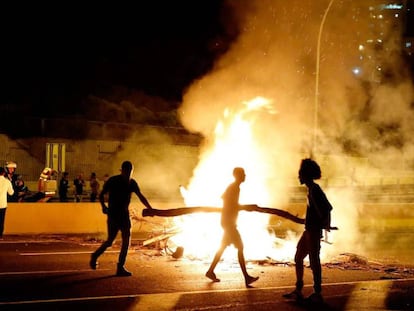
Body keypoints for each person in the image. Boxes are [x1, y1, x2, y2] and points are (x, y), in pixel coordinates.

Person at [90, 161, 153, 276]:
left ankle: (120, 267)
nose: (129, 174)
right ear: (122, 170)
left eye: (131, 171)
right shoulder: (113, 180)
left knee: (126, 241)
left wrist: (150, 208)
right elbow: (101, 194)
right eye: (127, 171)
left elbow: (141, 196)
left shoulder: (132, 183)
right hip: (114, 215)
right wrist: (103, 206)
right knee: (110, 241)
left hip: (124, 215)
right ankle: (95, 255)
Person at [283, 158, 333, 304]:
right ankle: (298, 289)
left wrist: (325, 224)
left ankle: (317, 293)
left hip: (313, 232)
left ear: (306, 175)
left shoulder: (315, 190)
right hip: (309, 231)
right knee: (298, 257)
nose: (299, 177)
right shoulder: (311, 190)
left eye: (300, 174)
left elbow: (327, 208)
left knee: (314, 261)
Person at [205, 167, 259, 287]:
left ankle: (210, 271)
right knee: (240, 247)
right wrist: (248, 207)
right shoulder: (234, 188)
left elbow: (226, 200)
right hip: (229, 223)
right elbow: (232, 205)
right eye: (243, 174)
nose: (245, 176)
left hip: (227, 222)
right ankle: (246, 277)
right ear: (238, 176)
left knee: (223, 247)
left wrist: (244, 207)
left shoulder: (234, 187)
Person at [0, 167, 14, 239]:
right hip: (2, 204)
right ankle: (0, 235)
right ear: (4, 173)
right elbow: (11, 193)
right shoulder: (7, 181)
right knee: (1, 220)